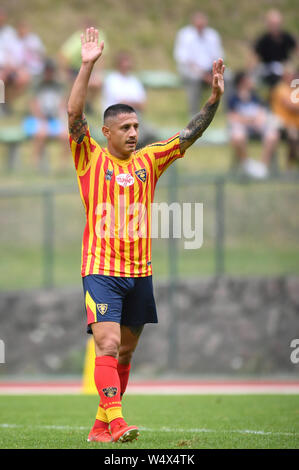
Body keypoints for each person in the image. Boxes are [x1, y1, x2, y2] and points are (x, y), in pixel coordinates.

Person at [67, 27, 225, 443]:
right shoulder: (89, 158)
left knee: (125, 353)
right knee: (106, 344)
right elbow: (73, 116)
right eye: (126, 127)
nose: (135, 132)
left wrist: (213, 100)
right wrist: (87, 65)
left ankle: (100, 427)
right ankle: (117, 422)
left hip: (140, 271)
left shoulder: (150, 161)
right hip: (100, 269)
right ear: (108, 133)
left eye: (137, 125)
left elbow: (189, 133)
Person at [227, 71, 279, 178]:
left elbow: (262, 112)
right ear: (242, 82)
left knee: (273, 135)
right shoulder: (233, 98)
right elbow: (232, 117)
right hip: (242, 126)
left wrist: (259, 120)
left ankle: (263, 167)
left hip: (257, 125)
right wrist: (249, 120)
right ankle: (247, 164)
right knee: (237, 137)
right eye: (249, 79)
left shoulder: (255, 96)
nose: (252, 81)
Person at [174, 11, 224, 116]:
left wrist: (213, 73)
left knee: (228, 77)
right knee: (194, 79)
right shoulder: (185, 35)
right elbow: (184, 59)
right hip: (190, 69)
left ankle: (227, 111)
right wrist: (203, 75)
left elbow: (218, 56)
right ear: (193, 23)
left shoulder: (212, 35)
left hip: (210, 69)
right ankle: (194, 114)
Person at [102, 50, 157, 147]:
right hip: (116, 117)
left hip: (135, 117)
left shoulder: (134, 80)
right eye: (125, 61)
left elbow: (143, 105)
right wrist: (134, 103)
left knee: (153, 134)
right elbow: (121, 104)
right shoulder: (112, 79)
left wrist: (130, 103)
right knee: (139, 135)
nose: (128, 64)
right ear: (119, 63)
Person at [23, 59, 68, 171]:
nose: (49, 73)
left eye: (51, 71)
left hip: (54, 118)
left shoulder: (59, 86)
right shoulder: (37, 85)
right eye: (47, 71)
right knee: (41, 134)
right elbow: (33, 105)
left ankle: (62, 166)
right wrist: (41, 120)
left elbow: (62, 105)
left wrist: (63, 120)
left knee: (66, 135)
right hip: (37, 118)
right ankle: (35, 163)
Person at [252, 9, 297, 88]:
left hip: (284, 67)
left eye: (276, 24)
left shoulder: (286, 37)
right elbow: (255, 57)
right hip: (268, 69)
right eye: (272, 24)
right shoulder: (263, 40)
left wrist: (291, 65)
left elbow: (296, 48)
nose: (274, 26)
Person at [271, 68, 299, 167]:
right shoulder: (281, 89)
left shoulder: (294, 89)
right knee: (294, 136)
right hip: (283, 123)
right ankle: (290, 165)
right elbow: (290, 105)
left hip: (295, 123)